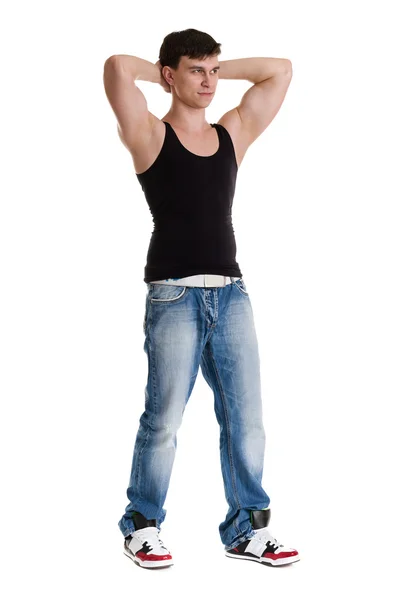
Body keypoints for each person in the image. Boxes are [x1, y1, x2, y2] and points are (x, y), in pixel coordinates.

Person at [103, 28, 299, 569]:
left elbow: (279, 69)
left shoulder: (232, 133)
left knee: (247, 420)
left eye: (214, 71)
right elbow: (119, 66)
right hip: (173, 296)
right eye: (196, 70)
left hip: (232, 295)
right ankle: (142, 526)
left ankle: (247, 530)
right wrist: (170, 72)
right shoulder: (148, 134)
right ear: (169, 74)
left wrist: (211, 69)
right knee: (163, 419)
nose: (210, 82)